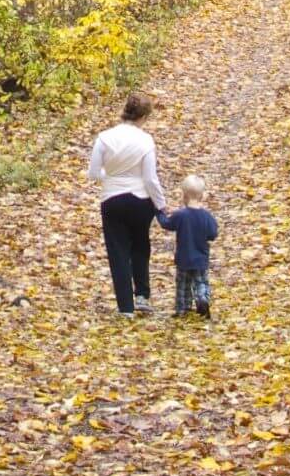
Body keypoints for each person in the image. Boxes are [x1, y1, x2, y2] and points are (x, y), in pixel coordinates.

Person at [88, 93, 167, 316]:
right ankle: (142, 294)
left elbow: (94, 173)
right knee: (140, 245)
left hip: (112, 199)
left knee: (118, 251)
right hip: (141, 200)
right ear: (143, 116)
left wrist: (113, 176)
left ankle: (125, 307)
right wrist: (160, 204)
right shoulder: (145, 140)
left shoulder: (104, 138)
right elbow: (151, 179)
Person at [156, 175, 219, 318]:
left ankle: (182, 308)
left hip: (183, 258)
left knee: (182, 284)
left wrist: (159, 211)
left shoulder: (181, 215)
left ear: (184, 195)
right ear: (202, 195)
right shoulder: (207, 216)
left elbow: (166, 223)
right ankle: (202, 298)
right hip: (201, 258)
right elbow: (213, 234)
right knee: (201, 281)